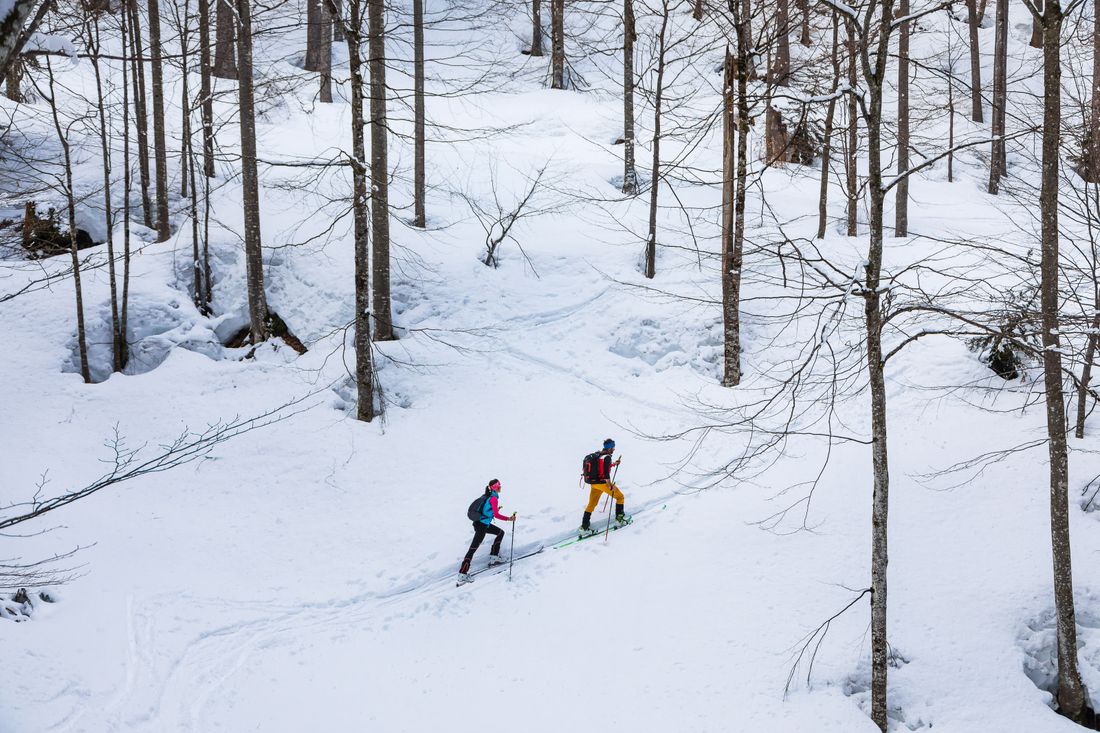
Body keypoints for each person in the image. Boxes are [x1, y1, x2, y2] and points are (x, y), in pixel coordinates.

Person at [458, 479, 516, 582]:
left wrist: (495, 510)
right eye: (499, 486)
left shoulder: (488, 496)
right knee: (473, 549)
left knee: (500, 533)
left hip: (482, 524)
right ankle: (462, 574)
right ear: (495, 487)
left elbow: (487, 511)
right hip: (482, 526)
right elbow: (496, 515)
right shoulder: (493, 499)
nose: (500, 487)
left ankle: (494, 557)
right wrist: (509, 519)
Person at [580, 438, 631, 535]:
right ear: (610, 448)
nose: (614, 449)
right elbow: (605, 473)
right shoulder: (607, 457)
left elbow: (602, 466)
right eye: (613, 447)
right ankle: (619, 520)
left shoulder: (600, 454)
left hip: (594, 484)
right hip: (602, 483)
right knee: (620, 497)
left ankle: (584, 527)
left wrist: (613, 464)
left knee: (592, 504)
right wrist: (609, 485)